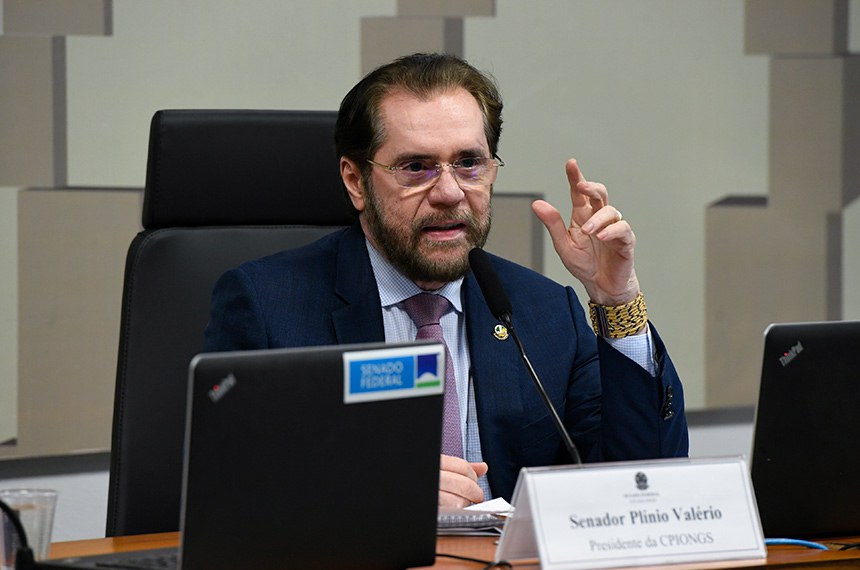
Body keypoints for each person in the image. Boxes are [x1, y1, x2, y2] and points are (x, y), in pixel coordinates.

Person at [203, 52, 689, 508]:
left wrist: (616, 301)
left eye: (469, 163)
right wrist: (378, 495)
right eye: (416, 167)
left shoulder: (543, 313)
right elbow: (222, 490)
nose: (450, 193)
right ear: (355, 181)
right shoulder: (267, 306)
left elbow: (642, 485)